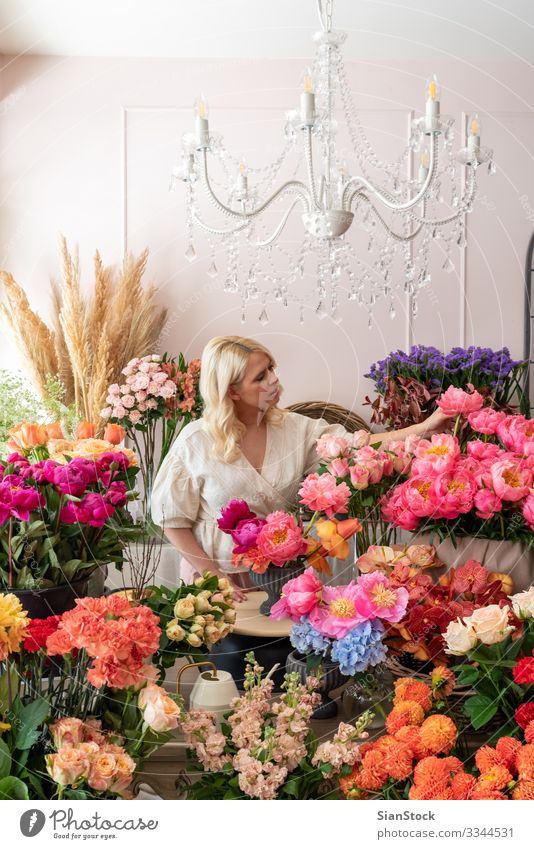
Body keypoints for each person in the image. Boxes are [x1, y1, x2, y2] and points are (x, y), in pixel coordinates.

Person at [150, 335, 450, 601]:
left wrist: (424, 428)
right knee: (226, 664)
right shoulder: (195, 441)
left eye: (271, 369)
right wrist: (212, 576)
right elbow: (171, 520)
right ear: (232, 392)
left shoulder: (293, 429)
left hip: (279, 578)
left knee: (276, 664)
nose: (273, 381)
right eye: (260, 377)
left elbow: (358, 445)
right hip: (215, 583)